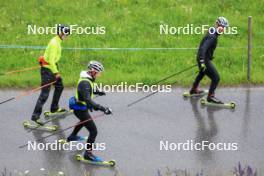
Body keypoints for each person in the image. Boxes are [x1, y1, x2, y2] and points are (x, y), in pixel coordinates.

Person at [68, 60, 112, 162]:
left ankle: (72, 136)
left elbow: (88, 89)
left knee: (84, 121)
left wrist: (98, 91)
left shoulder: (88, 78)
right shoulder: (85, 82)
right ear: (93, 71)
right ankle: (88, 154)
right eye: (98, 72)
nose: (99, 75)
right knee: (93, 131)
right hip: (80, 109)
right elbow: (88, 100)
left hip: (80, 107)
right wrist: (103, 109)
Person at [31, 24, 70, 125]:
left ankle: (54, 108)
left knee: (60, 86)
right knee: (44, 94)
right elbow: (51, 60)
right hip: (48, 71)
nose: (67, 36)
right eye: (65, 34)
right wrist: (56, 73)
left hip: (52, 68)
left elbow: (50, 58)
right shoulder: (54, 43)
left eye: (67, 34)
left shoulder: (58, 41)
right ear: (60, 33)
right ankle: (35, 116)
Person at [189, 17, 229, 104]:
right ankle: (210, 97)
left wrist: (204, 58)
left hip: (202, 58)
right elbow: (203, 49)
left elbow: (204, 48)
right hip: (203, 59)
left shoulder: (212, 32)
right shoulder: (212, 36)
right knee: (216, 78)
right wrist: (202, 62)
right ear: (217, 24)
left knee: (202, 73)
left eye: (224, 28)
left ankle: (193, 89)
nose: (222, 29)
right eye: (221, 27)